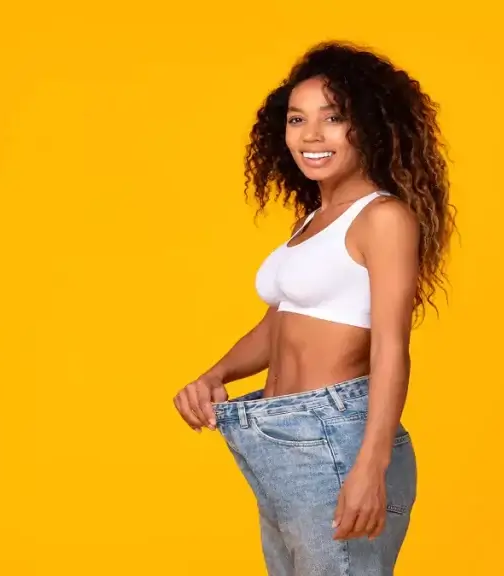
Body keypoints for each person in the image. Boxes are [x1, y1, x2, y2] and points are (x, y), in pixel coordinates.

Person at [172, 40, 454, 575]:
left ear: (369, 126)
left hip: (337, 438)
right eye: (298, 119)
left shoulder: (383, 218)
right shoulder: (313, 221)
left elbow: (392, 345)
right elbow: (280, 322)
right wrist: (216, 373)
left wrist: (372, 464)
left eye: (333, 118)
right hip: (282, 438)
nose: (311, 135)